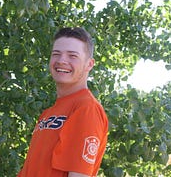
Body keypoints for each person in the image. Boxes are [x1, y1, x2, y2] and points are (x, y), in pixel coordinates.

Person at [17, 27, 108, 177]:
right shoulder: (48, 113)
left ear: (89, 64)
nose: (61, 61)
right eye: (56, 54)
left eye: (72, 56)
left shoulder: (86, 108)